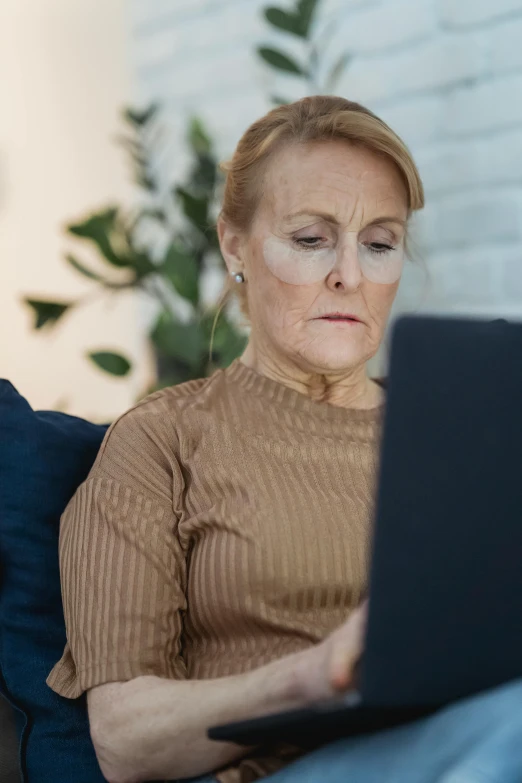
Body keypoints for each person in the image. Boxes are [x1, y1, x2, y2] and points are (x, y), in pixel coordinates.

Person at [47, 96, 522, 783]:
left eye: (380, 244)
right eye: (310, 239)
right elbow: (124, 739)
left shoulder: (457, 432)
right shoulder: (160, 442)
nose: (350, 276)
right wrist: (312, 676)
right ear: (235, 245)